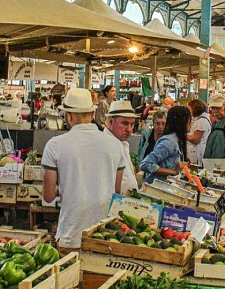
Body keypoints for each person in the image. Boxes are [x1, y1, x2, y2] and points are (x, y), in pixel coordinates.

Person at [42, 88, 126, 249]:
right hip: (104, 236)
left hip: (71, 233)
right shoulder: (115, 144)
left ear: (68, 115)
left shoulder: (55, 145)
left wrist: (67, 186)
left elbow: (48, 196)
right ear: (92, 114)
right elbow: (116, 191)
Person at [140, 105, 190, 182]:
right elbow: (145, 164)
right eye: (189, 121)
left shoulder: (176, 139)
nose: (190, 124)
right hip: (157, 188)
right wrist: (173, 171)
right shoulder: (169, 142)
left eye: (163, 123)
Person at [104, 100, 139, 194]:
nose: (129, 130)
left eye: (132, 124)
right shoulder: (105, 146)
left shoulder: (122, 143)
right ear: (111, 121)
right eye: (125, 123)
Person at [185, 99, 210, 166]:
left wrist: (184, 135)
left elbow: (196, 139)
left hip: (197, 154)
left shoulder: (201, 122)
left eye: (189, 109)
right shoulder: (203, 119)